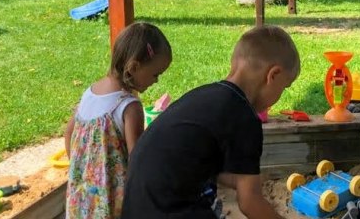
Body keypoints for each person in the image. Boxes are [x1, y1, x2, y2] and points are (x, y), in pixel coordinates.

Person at [122, 25, 300, 219]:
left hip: (137, 207)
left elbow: (191, 166)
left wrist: (240, 180)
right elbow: (250, 203)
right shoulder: (244, 118)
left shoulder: (204, 96)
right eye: (284, 87)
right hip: (170, 211)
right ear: (272, 75)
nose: (280, 95)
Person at [64, 22, 173, 219]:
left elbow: (68, 133)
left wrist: (79, 173)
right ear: (133, 67)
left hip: (80, 200)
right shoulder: (129, 106)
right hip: (111, 203)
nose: (156, 81)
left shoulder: (89, 93)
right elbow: (137, 160)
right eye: (155, 74)